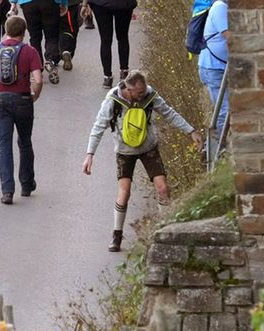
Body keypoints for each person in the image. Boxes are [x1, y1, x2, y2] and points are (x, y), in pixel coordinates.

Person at [83, 70, 202, 252]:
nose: (143, 94)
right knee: (124, 192)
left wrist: (190, 131)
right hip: (124, 151)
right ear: (128, 90)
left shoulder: (149, 94)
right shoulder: (112, 100)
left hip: (148, 147)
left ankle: (164, 230)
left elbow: (169, 113)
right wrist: (90, 154)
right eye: (139, 92)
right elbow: (99, 126)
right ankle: (116, 235)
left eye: (144, 90)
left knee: (163, 188)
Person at [0, 15, 44, 204]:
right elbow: (38, 79)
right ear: (24, 33)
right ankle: (27, 184)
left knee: (4, 145)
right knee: (25, 142)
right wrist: (35, 96)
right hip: (23, 100)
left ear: (5, 30)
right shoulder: (29, 51)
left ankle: (7, 191)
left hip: (1, 101)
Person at [197, 0, 230, 141]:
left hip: (219, 66)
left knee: (225, 108)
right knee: (224, 109)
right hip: (213, 68)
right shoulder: (220, 8)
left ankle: (217, 144)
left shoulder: (226, 9)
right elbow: (229, 36)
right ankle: (218, 146)